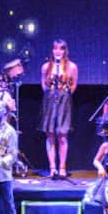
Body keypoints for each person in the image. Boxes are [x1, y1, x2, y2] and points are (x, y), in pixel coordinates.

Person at [39, 39, 78, 179]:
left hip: (64, 101)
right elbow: (43, 84)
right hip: (50, 101)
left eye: (61, 49)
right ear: (52, 51)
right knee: (50, 134)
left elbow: (74, 85)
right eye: (55, 48)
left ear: (65, 51)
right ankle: (52, 168)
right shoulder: (46, 67)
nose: (58, 51)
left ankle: (62, 167)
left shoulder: (72, 67)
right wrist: (51, 94)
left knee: (62, 135)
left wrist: (64, 95)